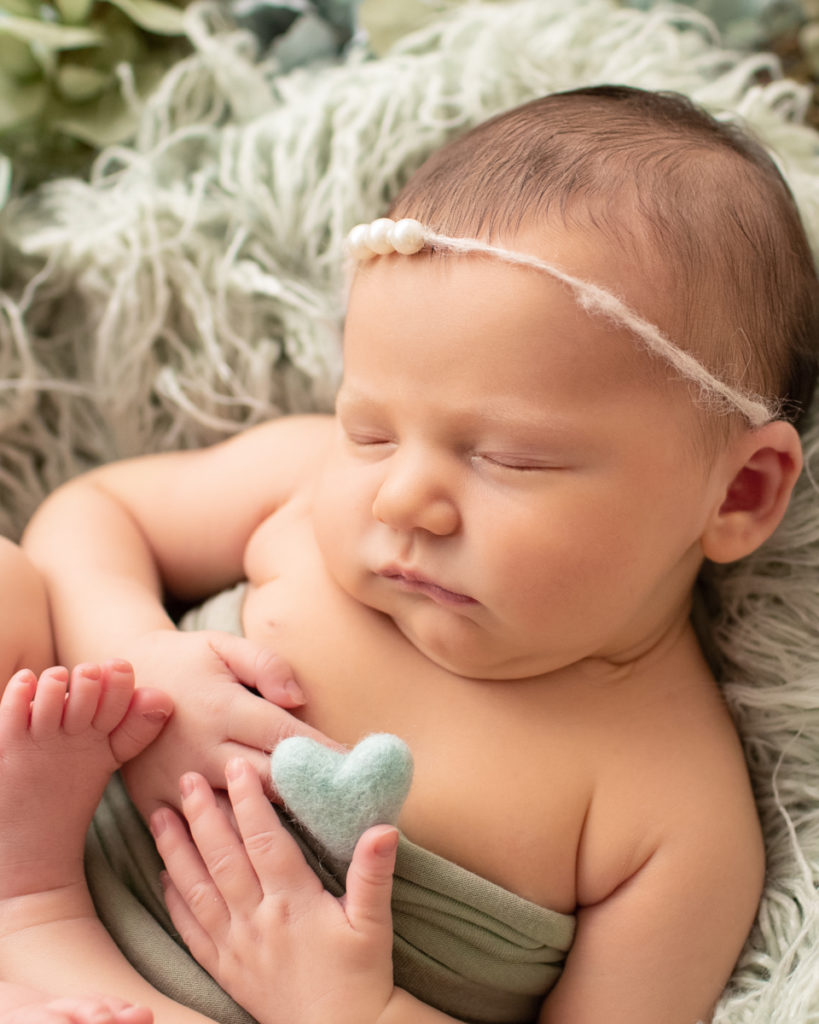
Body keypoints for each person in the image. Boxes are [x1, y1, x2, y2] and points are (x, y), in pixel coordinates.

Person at [3, 84, 819, 1024]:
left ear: (739, 492)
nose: (401, 497)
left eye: (508, 457)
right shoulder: (305, 486)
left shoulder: (674, 821)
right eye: (371, 431)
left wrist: (351, 1007)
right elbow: (92, 510)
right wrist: (139, 653)